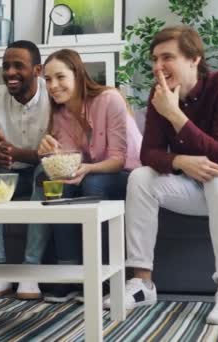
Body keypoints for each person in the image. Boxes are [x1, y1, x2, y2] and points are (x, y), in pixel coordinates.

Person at [108, 26, 218, 325]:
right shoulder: (160, 95)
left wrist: (175, 115)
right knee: (141, 178)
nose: (158, 66)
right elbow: (149, 155)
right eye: (155, 59)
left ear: (194, 59)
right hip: (198, 186)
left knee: (216, 175)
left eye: (167, 57)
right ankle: (142, 283)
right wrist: (182, 161)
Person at [33, 48, 142, 303]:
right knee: (60, 188)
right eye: (48, 80)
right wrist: (47, 154)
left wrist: (87, 169)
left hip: (130, 174)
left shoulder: (109, 99)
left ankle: (101, 273)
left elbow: (117, 159)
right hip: (93, 172)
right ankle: (69, 273)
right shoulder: (60, 114)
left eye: (60, 77)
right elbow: (68, 164)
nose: (53, 85)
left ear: (78, 74)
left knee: (94, 183)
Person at [0, 40, 50, 300]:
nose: (10, 72)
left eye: (19, 66)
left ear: (37, 70)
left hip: (43, 168)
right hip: (13, 174)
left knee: (46, 174)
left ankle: (31, 269)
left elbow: (52, 156)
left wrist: (17, 153)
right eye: (6, 66)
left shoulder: (53, 94)